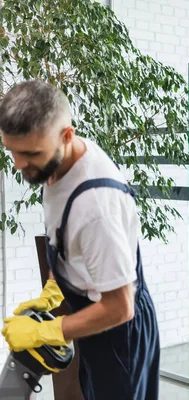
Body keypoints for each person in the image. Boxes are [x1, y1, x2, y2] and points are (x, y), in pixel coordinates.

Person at [0, 80, 160, 400]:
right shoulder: (57, 164)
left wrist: (46, 331)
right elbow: (65, 244)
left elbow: (120, 307)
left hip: (119, 334)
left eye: (30, 153)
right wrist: (51, 291)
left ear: (66, 136)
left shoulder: (96, 206)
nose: (19, 165)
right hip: (91, 316)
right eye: (12, 152)